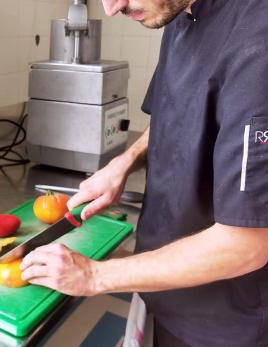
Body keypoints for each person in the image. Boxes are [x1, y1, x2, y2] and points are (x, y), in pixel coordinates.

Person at [20, 0, 268, 346]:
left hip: (224, 322)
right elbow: (173, 110)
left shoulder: (258, 39)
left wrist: (93, 276)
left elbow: (247, 244)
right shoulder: (178, 12)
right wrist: (124, 162)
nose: (111, 8)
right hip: (161, 286)